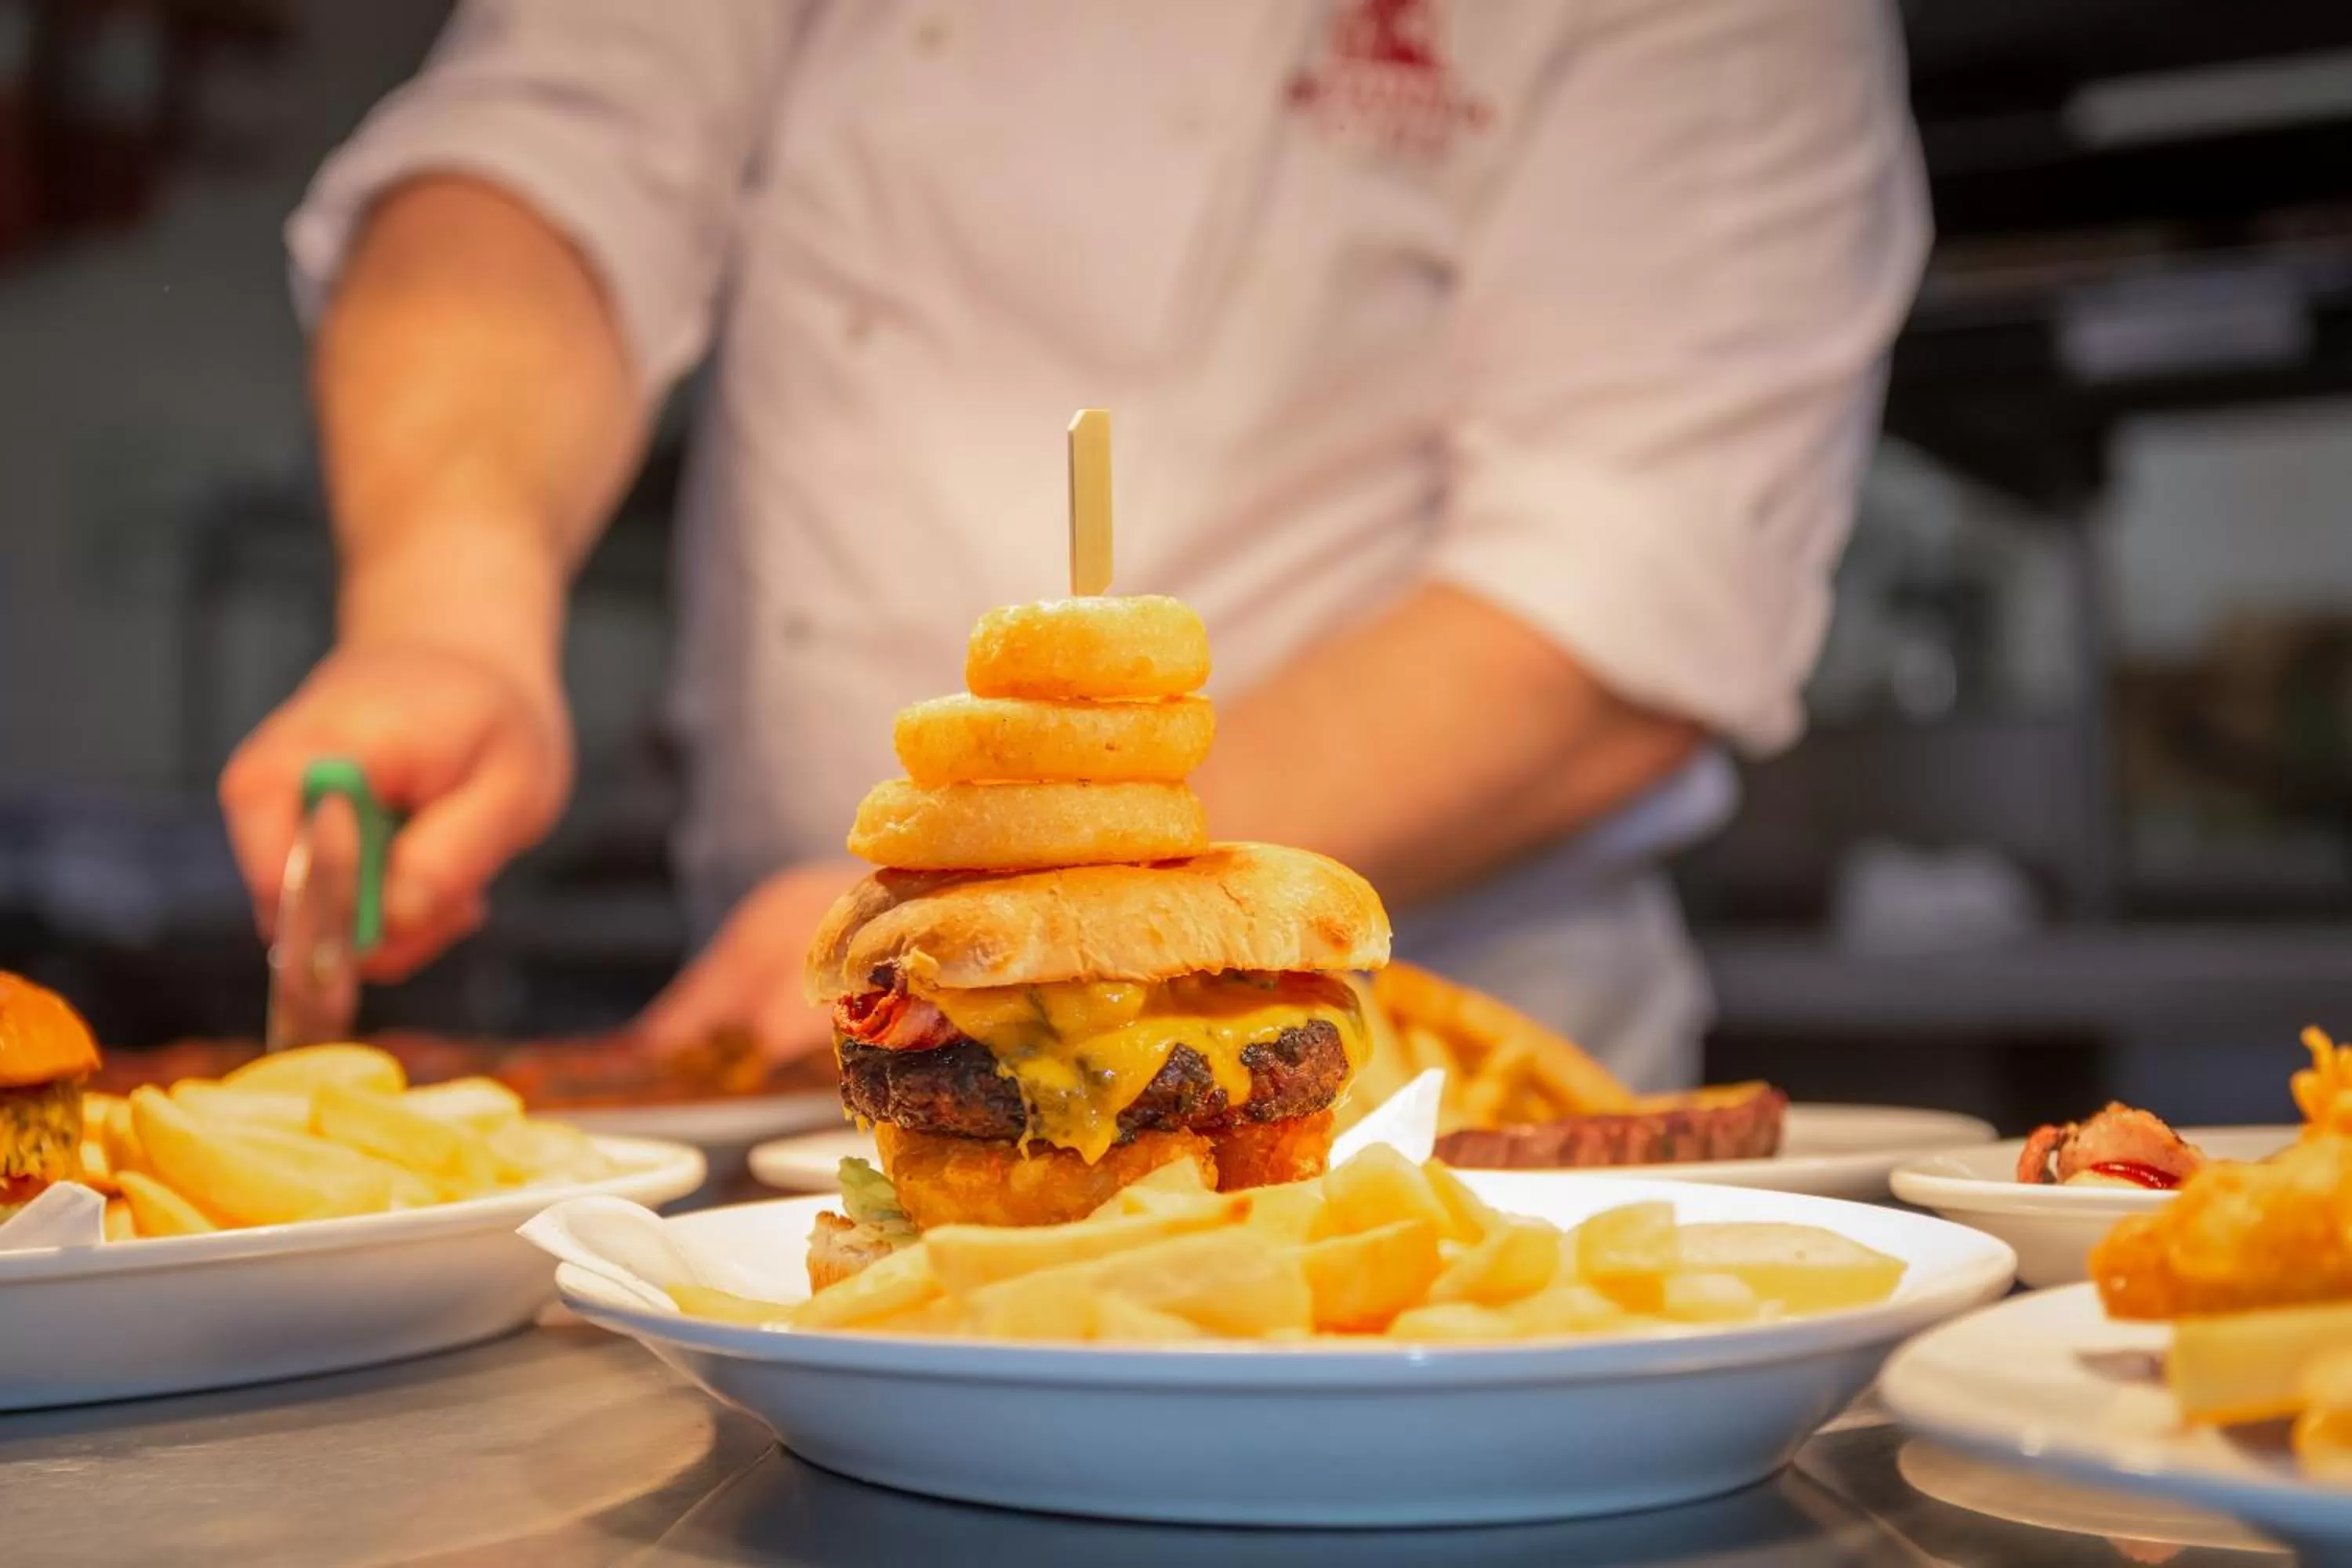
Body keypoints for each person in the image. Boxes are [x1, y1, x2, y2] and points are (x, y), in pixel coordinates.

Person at [219, 0, 1927, 1091]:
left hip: (1414, 1112)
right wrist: (448, 608)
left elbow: (1614, 598)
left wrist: (1009, 917)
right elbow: (531, 161)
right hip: (819, 1082)